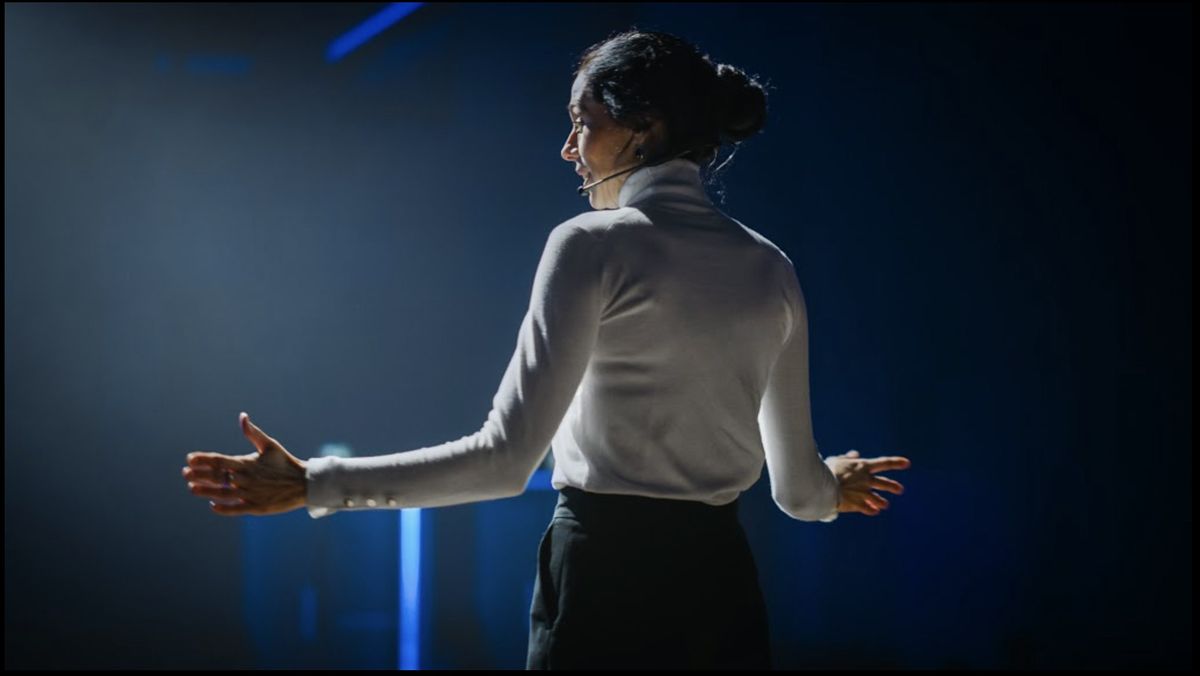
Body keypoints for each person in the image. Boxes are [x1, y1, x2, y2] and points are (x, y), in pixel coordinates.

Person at [182, 28, 911, 670]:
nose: (569, 148)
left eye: (582, 123)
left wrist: (314, 483)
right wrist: (832, 485)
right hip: (722, 593)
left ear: (644, 127)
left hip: (603, 584)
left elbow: (504, 461)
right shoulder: (771, 267)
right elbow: (798, 494)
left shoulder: (589, 245)